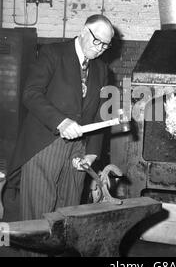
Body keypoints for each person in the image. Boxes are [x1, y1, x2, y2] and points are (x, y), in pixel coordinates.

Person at [7, 14, 114, 221]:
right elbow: (31, 93)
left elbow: (99, 113)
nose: (100, 48)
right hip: (45, 144)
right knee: (39, 215)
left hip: (79, 150)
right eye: (97, 40)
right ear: (84, 31)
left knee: (69, 213)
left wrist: (92, 152)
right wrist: (61, 121)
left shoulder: (101, 69)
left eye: (105, 45)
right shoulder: (53, 53)